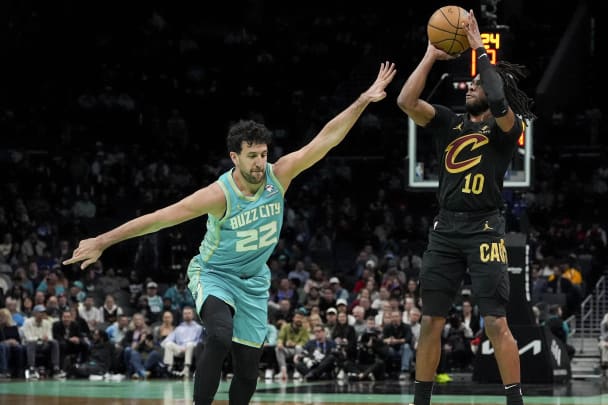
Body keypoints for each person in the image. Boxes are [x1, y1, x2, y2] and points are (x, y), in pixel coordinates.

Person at [63, 62, 396, 405]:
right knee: (220, 338)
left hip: (253, 281)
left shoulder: (278, 176)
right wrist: (103, 240)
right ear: (234, 157)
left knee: (249, 371)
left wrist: (363, 99)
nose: (258, 163)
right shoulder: (218, 195)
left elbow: (325, 139)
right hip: (215, 274)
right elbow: (160, 218)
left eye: (263, 154)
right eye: (251, 156)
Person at [397, 9, 534, 405]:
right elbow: (406, 100)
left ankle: (515, 401)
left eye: (477, 85)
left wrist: (478, 47)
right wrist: (429, 54)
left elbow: (496, 94)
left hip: (485, 229)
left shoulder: (507, 130)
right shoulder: (448, 122)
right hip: (445, 230)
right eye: (471, 84)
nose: (470, 89)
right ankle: (421, 400)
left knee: (495, 321)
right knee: (430, 321)